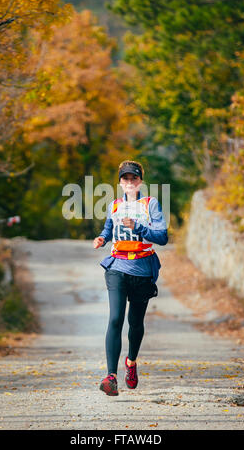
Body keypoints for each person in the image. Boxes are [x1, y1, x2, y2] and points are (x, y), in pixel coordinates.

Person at [93, 160, 168, 396]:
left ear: (140, 182)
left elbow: (163, 237)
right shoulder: (114, 205)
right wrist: (102, 239)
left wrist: (139, 228)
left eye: (133, 178)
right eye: (125, 179)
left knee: (135, 324)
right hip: (117, 267)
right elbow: (108, 229)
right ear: (120, 182)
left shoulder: (150, 204)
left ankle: (131, 362)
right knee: (115, 318)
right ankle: (111, 377)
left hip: (142, 269)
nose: (129, 182)